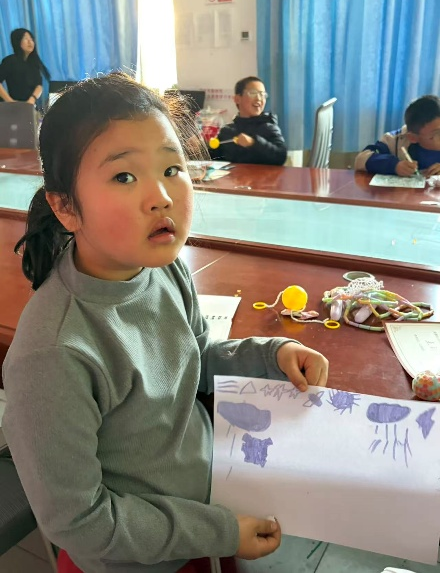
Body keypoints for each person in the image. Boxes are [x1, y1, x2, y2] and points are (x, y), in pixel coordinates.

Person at [2, 73, 328, 573]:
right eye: (124, 177)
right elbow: (81, 522)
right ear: (65, 207)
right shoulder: (54, 353)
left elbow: (194, 364)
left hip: (205, 518)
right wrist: (219, 531)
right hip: (138, 559)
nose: (161, 196)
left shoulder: (163, 268)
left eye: (172, 168)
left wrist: (271, 354)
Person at [209, 76, 287, 165]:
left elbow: (281, 156)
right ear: (237, 99)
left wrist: (253, 143)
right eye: (253, 93)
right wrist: (200, 148)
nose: (259, 98)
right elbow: (214, 158)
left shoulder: (269, 127)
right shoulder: (227, 131)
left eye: (262, 95)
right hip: (234, 174)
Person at [355, 95, 440, 177]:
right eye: (437, 133)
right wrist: (394, 166)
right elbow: (361, 159)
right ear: (413, 138)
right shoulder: (393, 140)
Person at [0, 28, 50, 105]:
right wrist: (10, 101)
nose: (30, 42)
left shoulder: (34, 62)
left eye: (31, 39)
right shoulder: (9, 61)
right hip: (13, 106)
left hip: (30, 105)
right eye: (25, 38)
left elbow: (39, 86)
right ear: (17, 42)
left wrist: (32, 99)